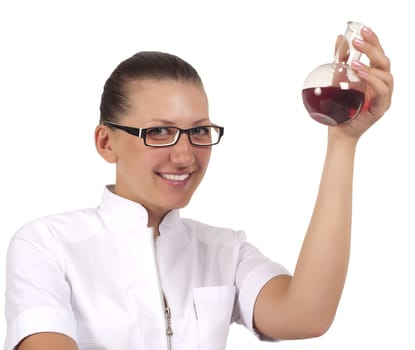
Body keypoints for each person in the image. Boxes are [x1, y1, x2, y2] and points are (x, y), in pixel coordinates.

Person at [4, 24, 393, 350]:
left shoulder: (225, 252)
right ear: (107, 143)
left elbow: (306, 315)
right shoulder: (47, 245)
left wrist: (344, 142)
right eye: (159, 131)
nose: (185, 155)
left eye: (198, 131)